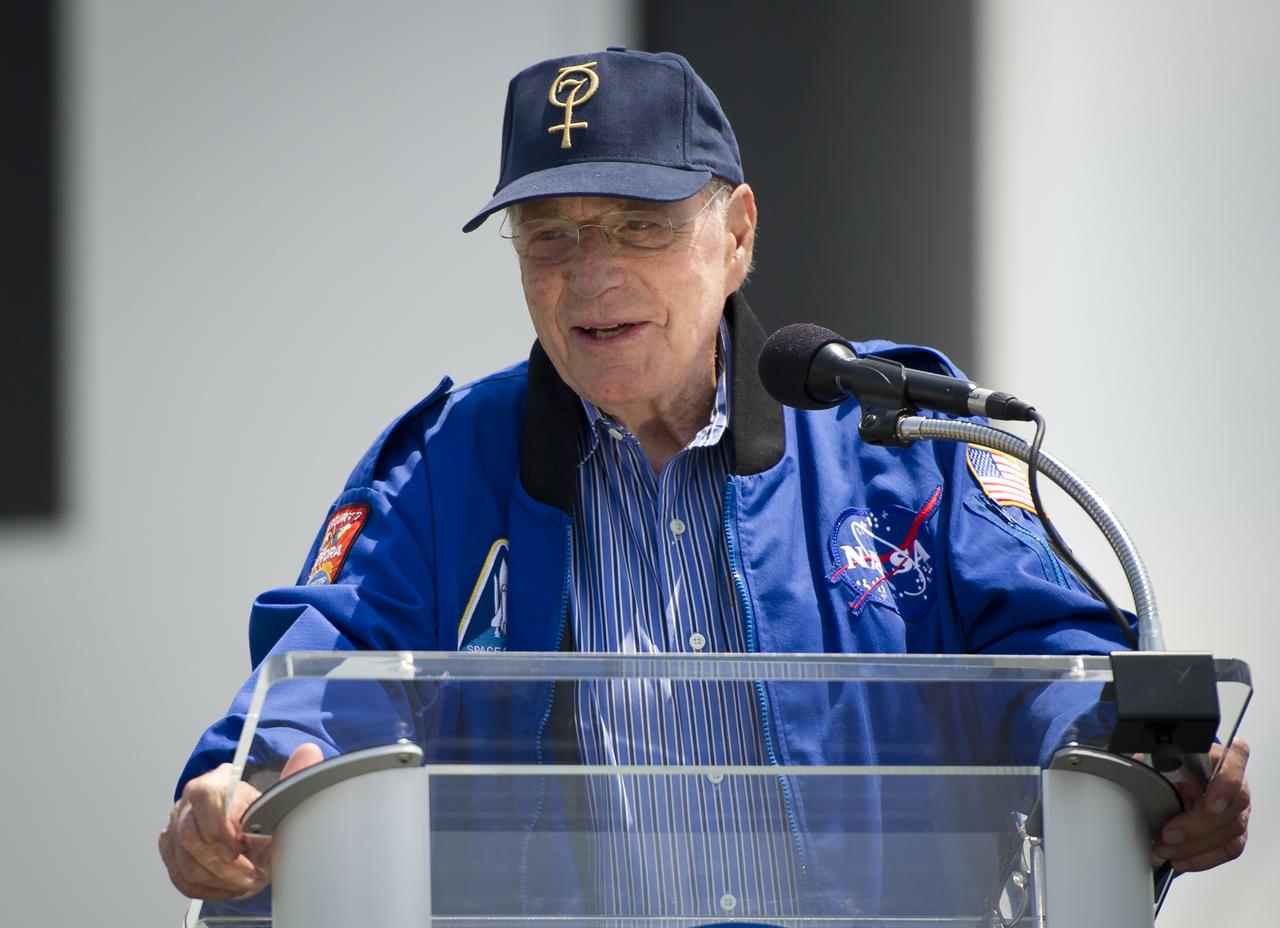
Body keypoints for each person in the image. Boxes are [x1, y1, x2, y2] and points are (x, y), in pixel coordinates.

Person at [159, 47, 1250, 916]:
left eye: (639, 227)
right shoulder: (453, 456)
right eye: (550, 238)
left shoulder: (893, 427)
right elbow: (321, 672)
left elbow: (1049, 660)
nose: (591, 276)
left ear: (734, 236)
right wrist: (235, 789)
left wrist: (1135, 764)